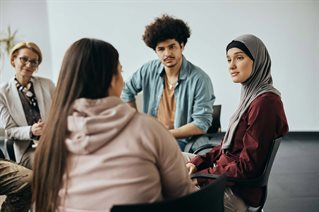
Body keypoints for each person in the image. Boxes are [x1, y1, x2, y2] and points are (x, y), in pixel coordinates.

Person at [32, 38, 197, 212]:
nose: (167, 53)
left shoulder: (51, 138)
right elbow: (183, 196)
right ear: (112, 79)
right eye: (121, 71)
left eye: (171, 47)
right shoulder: (149, 129)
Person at [185, 34, 289, 211]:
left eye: (239, 58)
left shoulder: (265, 103)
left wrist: (202, 176)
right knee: (170, 161)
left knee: (167, 185)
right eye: (228, 60)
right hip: (224, 175)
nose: (231, 66)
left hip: (235, 191)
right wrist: (198, 162)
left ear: (258, 61)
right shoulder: (252, 96)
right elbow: (229, 147)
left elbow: (248, 167)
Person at [121, 15, 215, 151]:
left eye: (172, 47)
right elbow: (126, 91)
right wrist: (136, 123)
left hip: (181, 141)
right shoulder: (148, 70)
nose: (167, 53)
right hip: (150, 138)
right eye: (161, 49)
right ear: (156, 51)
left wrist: (164, 135)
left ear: (182, 46)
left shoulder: (200, 79)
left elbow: (201, 124)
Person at [0, 41, 55, 211]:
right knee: (50, 162)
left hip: (52, 141)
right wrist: (31, 131)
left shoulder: (47, 85)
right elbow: (8, 131)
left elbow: (59, 112)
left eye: (34, 61)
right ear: (13, 60)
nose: (29, 65)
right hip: (27, 149)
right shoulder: (2, 93)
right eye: (24, 59)